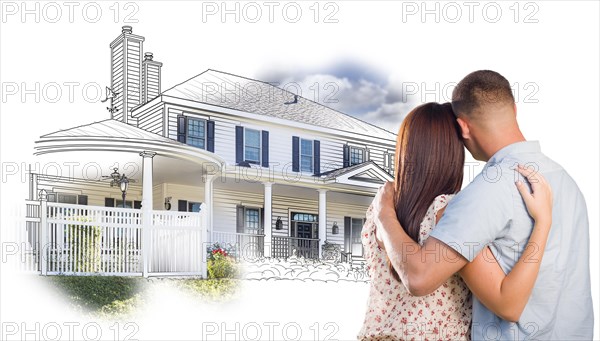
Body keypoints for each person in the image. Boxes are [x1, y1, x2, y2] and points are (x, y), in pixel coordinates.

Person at [372, 71, 593, 340]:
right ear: (513, 109)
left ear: (463, 127)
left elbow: (418, 279)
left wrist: (384, 213)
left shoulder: (487, 191)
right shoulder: (566, 182)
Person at [358, 102, 553, 340]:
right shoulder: (448, 213)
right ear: (452, 153)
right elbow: (508, 304)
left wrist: (384, 213)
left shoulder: (378, 210)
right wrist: (543, 221)